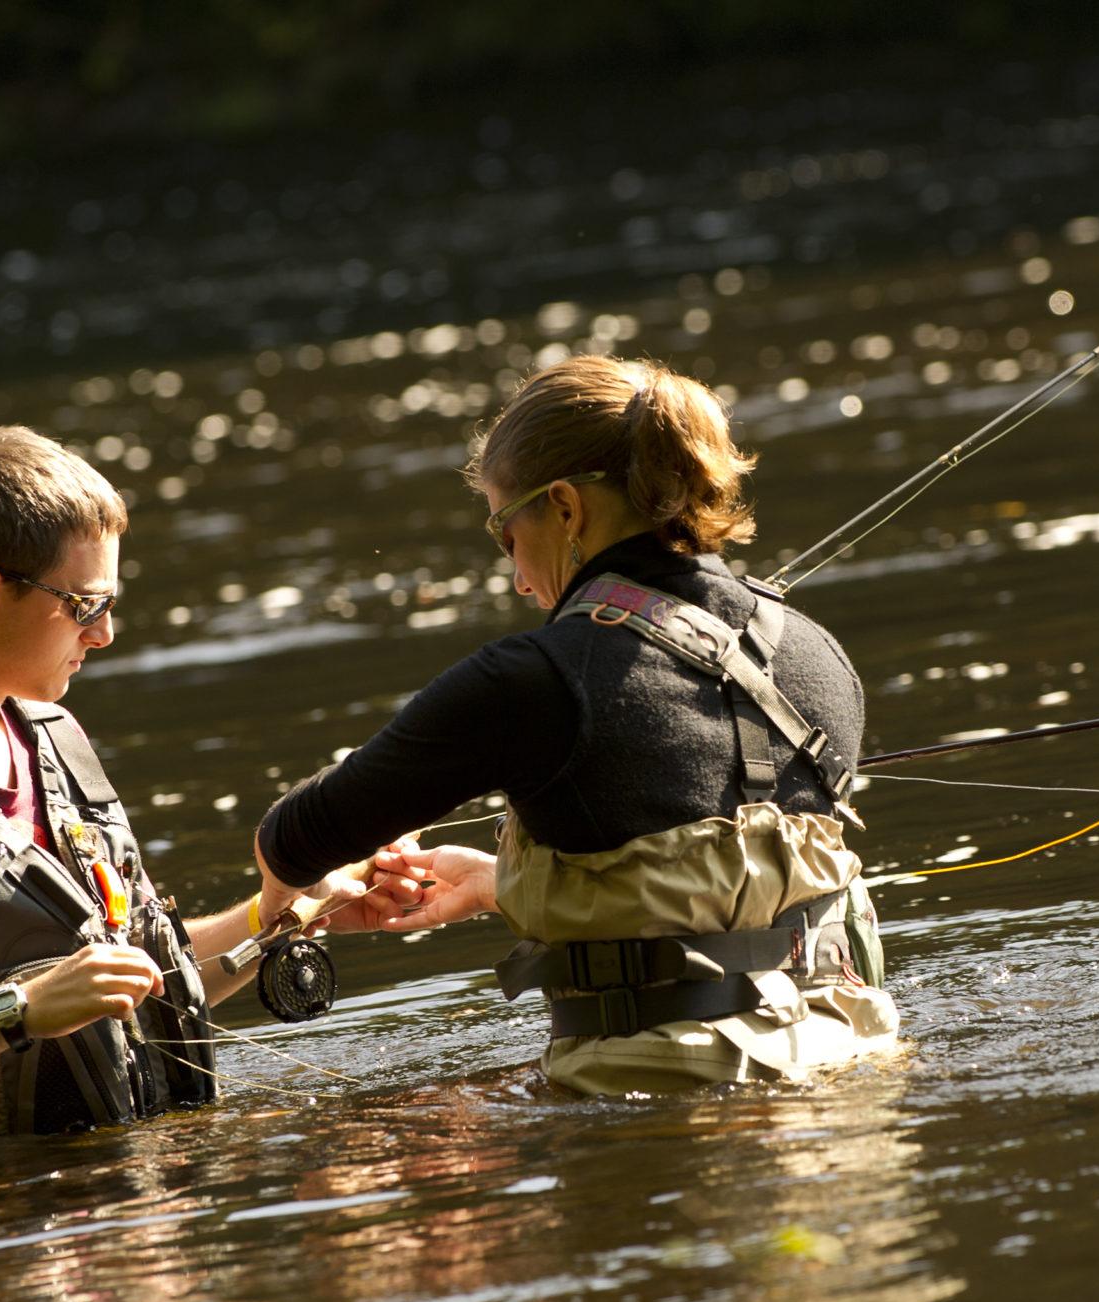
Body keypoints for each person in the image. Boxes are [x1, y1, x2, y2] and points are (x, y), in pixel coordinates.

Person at [255, 356, 898, 1094]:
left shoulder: (532, 680)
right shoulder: (820, 656)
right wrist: (498, 885)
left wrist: (279, 911)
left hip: (659, 1108)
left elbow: (298, 837)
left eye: (505, 533)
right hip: (856, 1080)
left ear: (564, 507)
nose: (519, 578)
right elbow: (722, 900)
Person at [0, 425, 404, 1137]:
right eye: (86, 605)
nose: (104, 635)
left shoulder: (54, 737)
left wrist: (278, 916)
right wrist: (16, 1011)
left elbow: (135, 989)